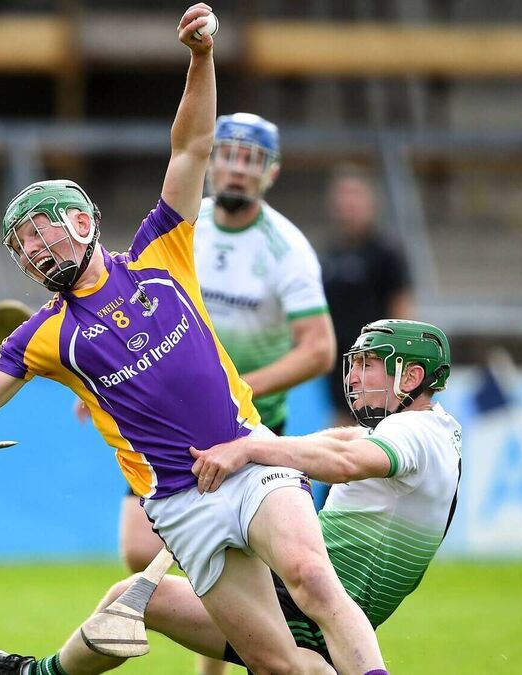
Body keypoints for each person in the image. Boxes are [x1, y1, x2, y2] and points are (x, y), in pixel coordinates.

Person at [0, 7, 385, 675]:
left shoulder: (161, 252)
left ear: (82, 221)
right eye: (22, 247)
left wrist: (201, 58)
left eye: (42, 232)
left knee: (311, 576)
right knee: (278, 663)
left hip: (250, 458)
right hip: (180, 505)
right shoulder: (44, 335)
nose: (35, 251)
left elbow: (191, 148)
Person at [0, 319, 459, 675]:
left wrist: (250, 449)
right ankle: (36, 672)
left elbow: (345, 462)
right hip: (295, 601)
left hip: (307, 608)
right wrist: (256, 450)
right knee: (134, 597)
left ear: (412, 376)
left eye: (368, 364)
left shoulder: (416, 432)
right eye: (355, 364)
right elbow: (342, 442)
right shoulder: (428, 431)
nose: (354, 377)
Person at [112, 111, 336, 675]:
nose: (237, 169)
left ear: (271, 172)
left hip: (250, 429)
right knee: (140, 549)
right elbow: (132, 308)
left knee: (235, 563)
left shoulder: (286, 249)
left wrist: (237, 387)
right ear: (213, 163)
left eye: (252, 160)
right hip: (168, 423)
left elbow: (318, 349)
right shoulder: (186, 226)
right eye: (229, 155)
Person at [321, 164, 412, 430]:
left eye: (355, 197)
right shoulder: (329, 255)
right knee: (341, 428)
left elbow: (402, 308)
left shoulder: (386, 253)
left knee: (375, 430)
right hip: (340, 366)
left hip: (376, 364)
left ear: (370, 203)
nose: (348, 205)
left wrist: (396, 361)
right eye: (343, 198)